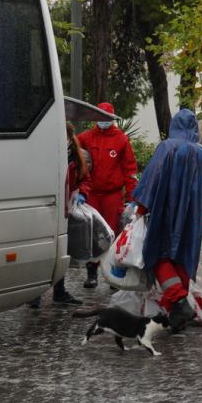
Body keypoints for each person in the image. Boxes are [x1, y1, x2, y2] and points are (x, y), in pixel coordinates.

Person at [133, 109, 202, 332]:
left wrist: (140, 209)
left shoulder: (166, 147)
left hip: (165, 213)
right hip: (191, 218)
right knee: (182, 259)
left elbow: (151, 180)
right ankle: (176, 314)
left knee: (159, 256)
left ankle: (180, 304)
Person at [26, 122, 88, 308]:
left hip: (64, 211)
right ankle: (35, 294)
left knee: (61, 251)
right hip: (46, 209)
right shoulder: (44, 154)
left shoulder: (75, 156)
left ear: (70, 137)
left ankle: (59, 292)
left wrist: (82, 193)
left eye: (65, 137)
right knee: (43, 251)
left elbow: (85, 178)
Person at [77, 103, 138, 288]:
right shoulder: (85, 138)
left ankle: (114, 276)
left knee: (113, 235)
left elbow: (130, 169)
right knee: (92, 235)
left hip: (113, 195)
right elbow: (75, 161)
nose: (103, 122)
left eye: (107, 118)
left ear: (112, 118)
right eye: (100, 118)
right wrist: (78, 191)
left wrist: (133, 197)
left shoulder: (121, 140)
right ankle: (92, 273)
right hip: (92, 195)